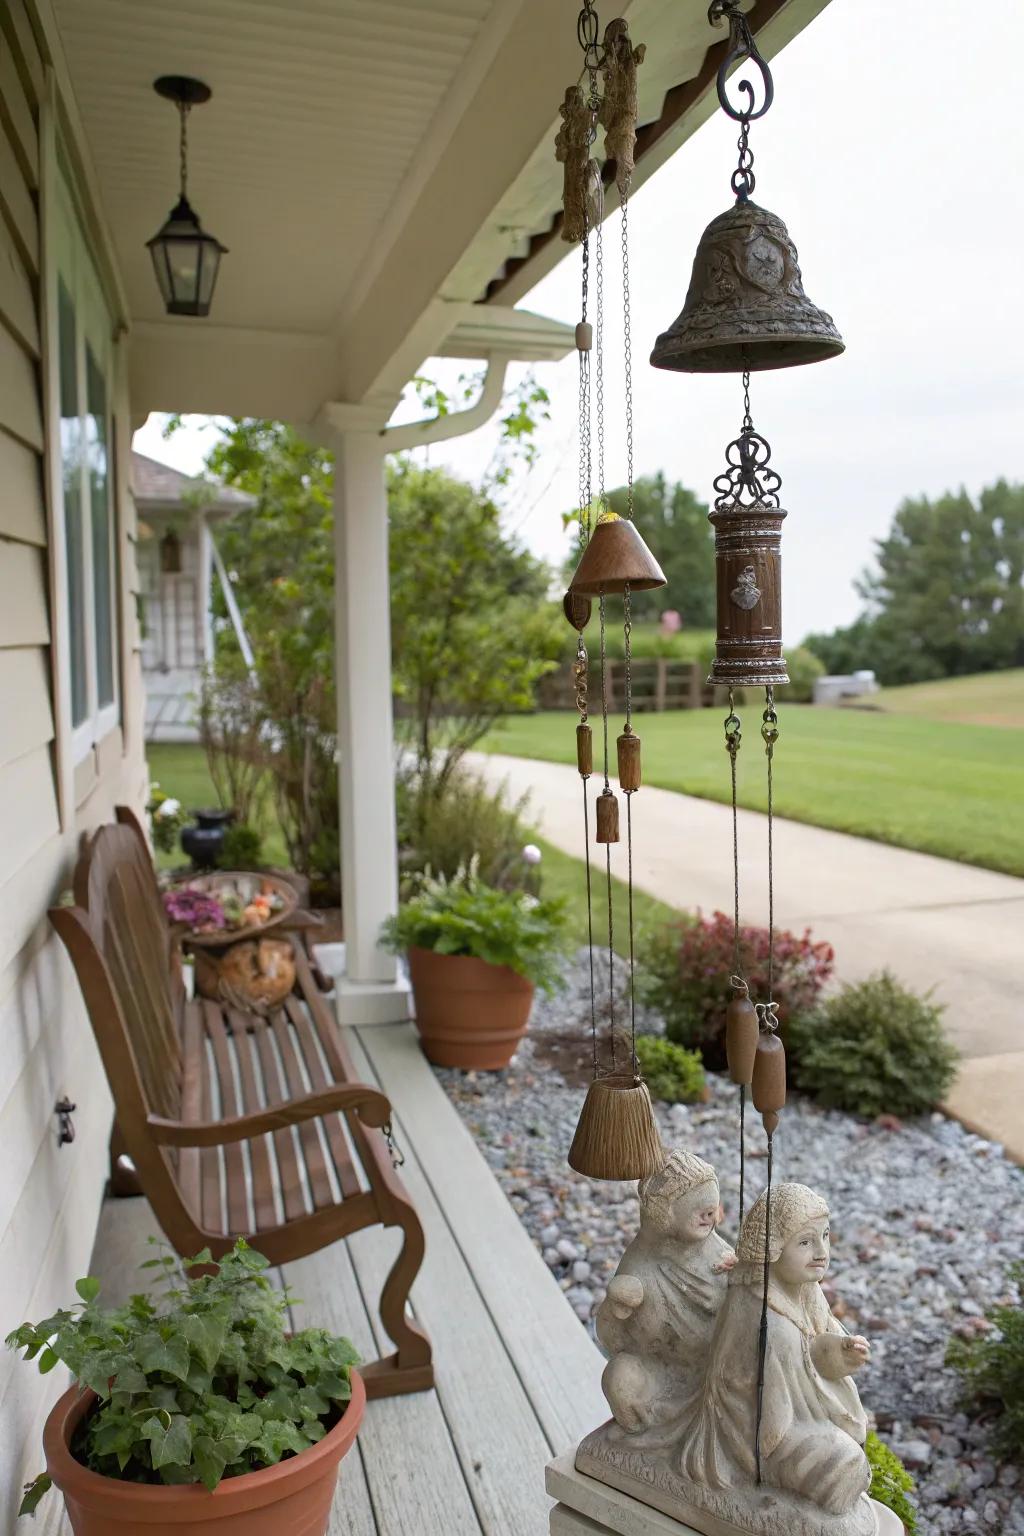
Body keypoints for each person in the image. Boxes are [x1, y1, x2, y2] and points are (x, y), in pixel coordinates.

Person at [679, 1182, 871, 1518]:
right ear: (773, 1248)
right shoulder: (765, 1319)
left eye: (825, 1236)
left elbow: (815, 1347)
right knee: (844, 1462)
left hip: (798, 1416)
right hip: (760, 1433)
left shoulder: (806, 1290)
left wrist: (843, 1352)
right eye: (805, 1242)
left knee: (847, 1453)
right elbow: (773, 1424)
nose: (821, 1252)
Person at [596, 1150, 734, 1434]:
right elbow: (614, 1342)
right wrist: (616, 1310)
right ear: (665, 1211)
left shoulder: (716, 1251)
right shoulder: (639, 1265)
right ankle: (658, 1439)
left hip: (719, 1367)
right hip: (664, 1374)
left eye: (713, 1208)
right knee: (621, 1378)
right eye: (700, 1209)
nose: (711, 1215)